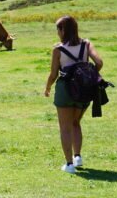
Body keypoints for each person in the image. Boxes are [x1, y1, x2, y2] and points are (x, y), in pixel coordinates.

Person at [44, 16, 104, 174]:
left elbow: (53, 74)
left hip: (65, 89)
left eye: (58, 29)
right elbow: (99, 62)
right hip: (84, 89)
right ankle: (78, 157)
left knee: (65, 128)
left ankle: (69, 165)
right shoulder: (87, 44)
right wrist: (87, 75)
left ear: (62, 30)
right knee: (76, 122)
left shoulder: (58, 49)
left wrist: (48, 87)